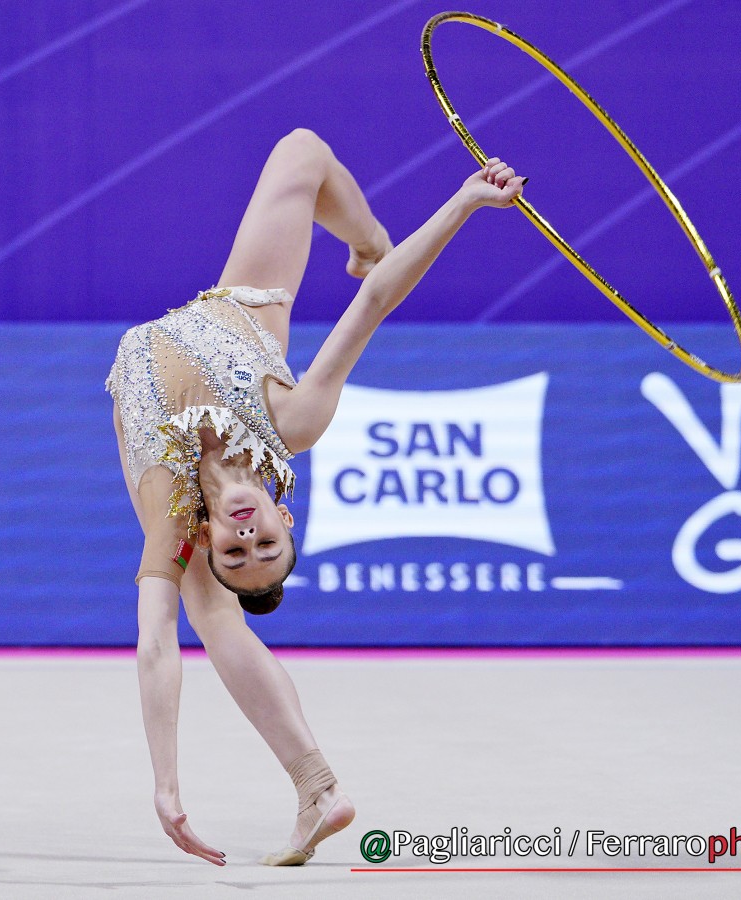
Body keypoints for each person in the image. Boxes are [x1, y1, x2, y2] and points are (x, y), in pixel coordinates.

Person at [105, 128, 526, 866]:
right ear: (284, 513)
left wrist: (165, 787)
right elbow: (375, 300)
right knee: (302, 150)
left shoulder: (174, 515)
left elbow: (154, 646)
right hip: (236, 314)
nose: (247, 537)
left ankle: (316, 786)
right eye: (267, 543)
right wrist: (462, 202)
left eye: (237, 552)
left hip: (176, 371)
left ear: (209, 541)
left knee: (208, 609)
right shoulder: (294, 422)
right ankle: (318, 787)